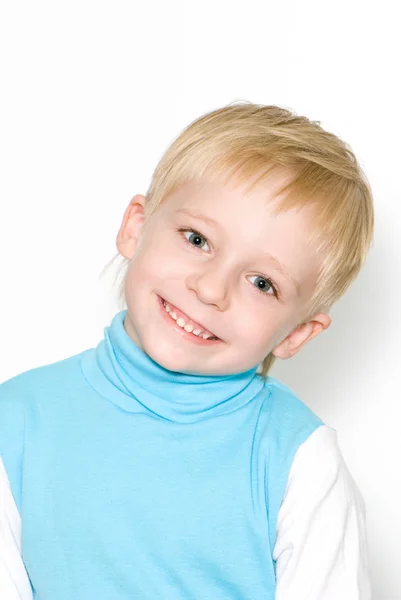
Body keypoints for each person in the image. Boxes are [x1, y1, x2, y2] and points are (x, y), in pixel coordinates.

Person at [0, 102, 373, 599]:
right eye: (197, 239)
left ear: (297, 333)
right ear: (136, 226)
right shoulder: (18, 419)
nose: (212, 289)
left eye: (262, 283)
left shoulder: (299, 458)